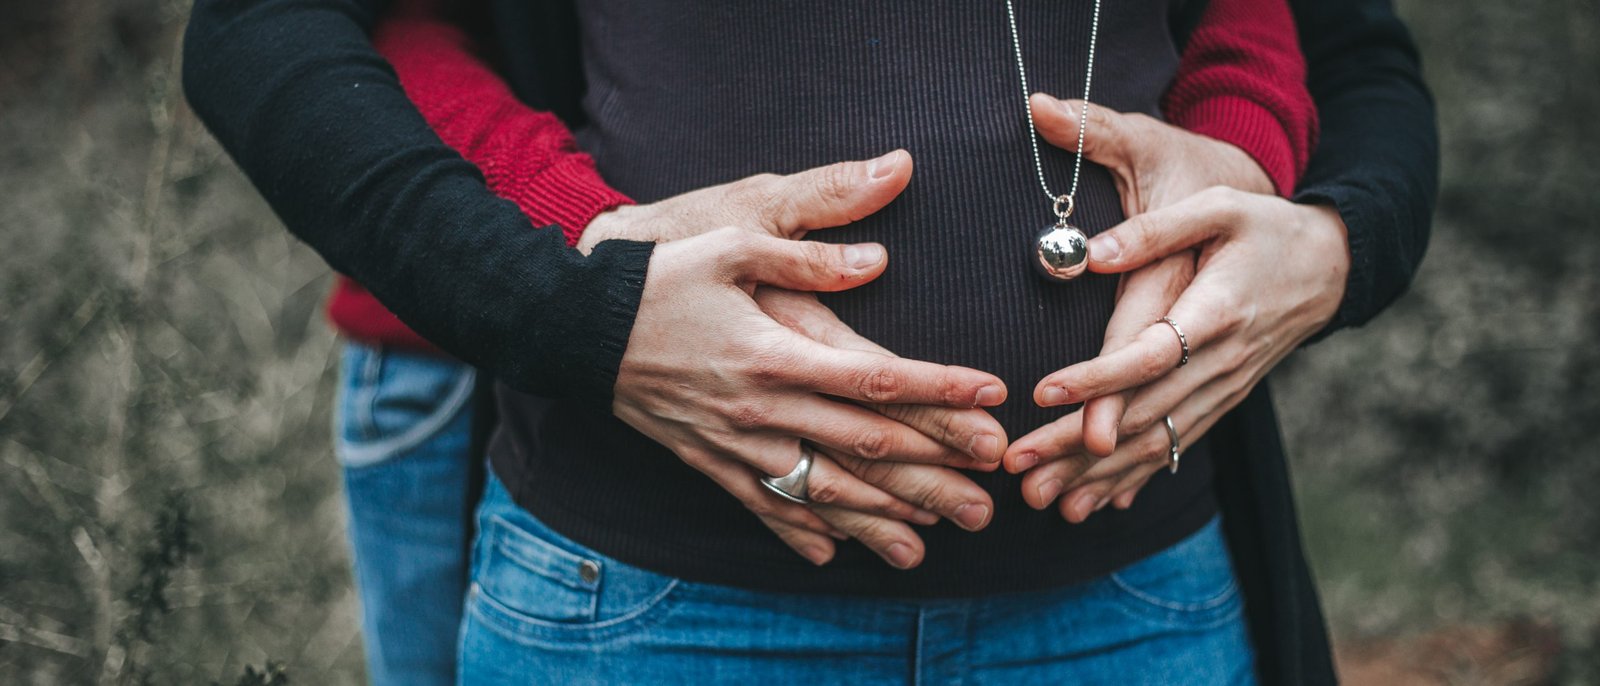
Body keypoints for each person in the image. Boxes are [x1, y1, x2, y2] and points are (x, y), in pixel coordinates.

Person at [182, 0, 1436, 683]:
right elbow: (289, 34)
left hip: (1126, 595)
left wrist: (1289, 209)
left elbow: (1330, 40)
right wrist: (592, 279)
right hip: (653, 598)